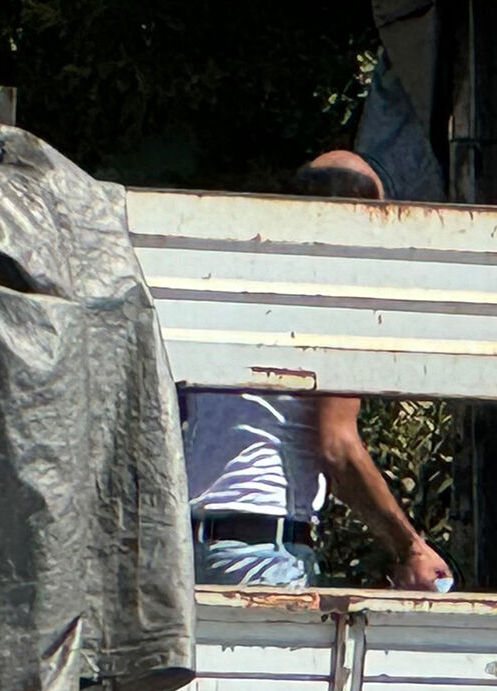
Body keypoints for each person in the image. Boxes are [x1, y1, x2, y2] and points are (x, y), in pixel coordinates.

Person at [182, 150, 455, 592]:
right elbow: (336, 447)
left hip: (183, 547)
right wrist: (411, 548)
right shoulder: (328, 303)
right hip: (263, 549)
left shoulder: (228, 295)